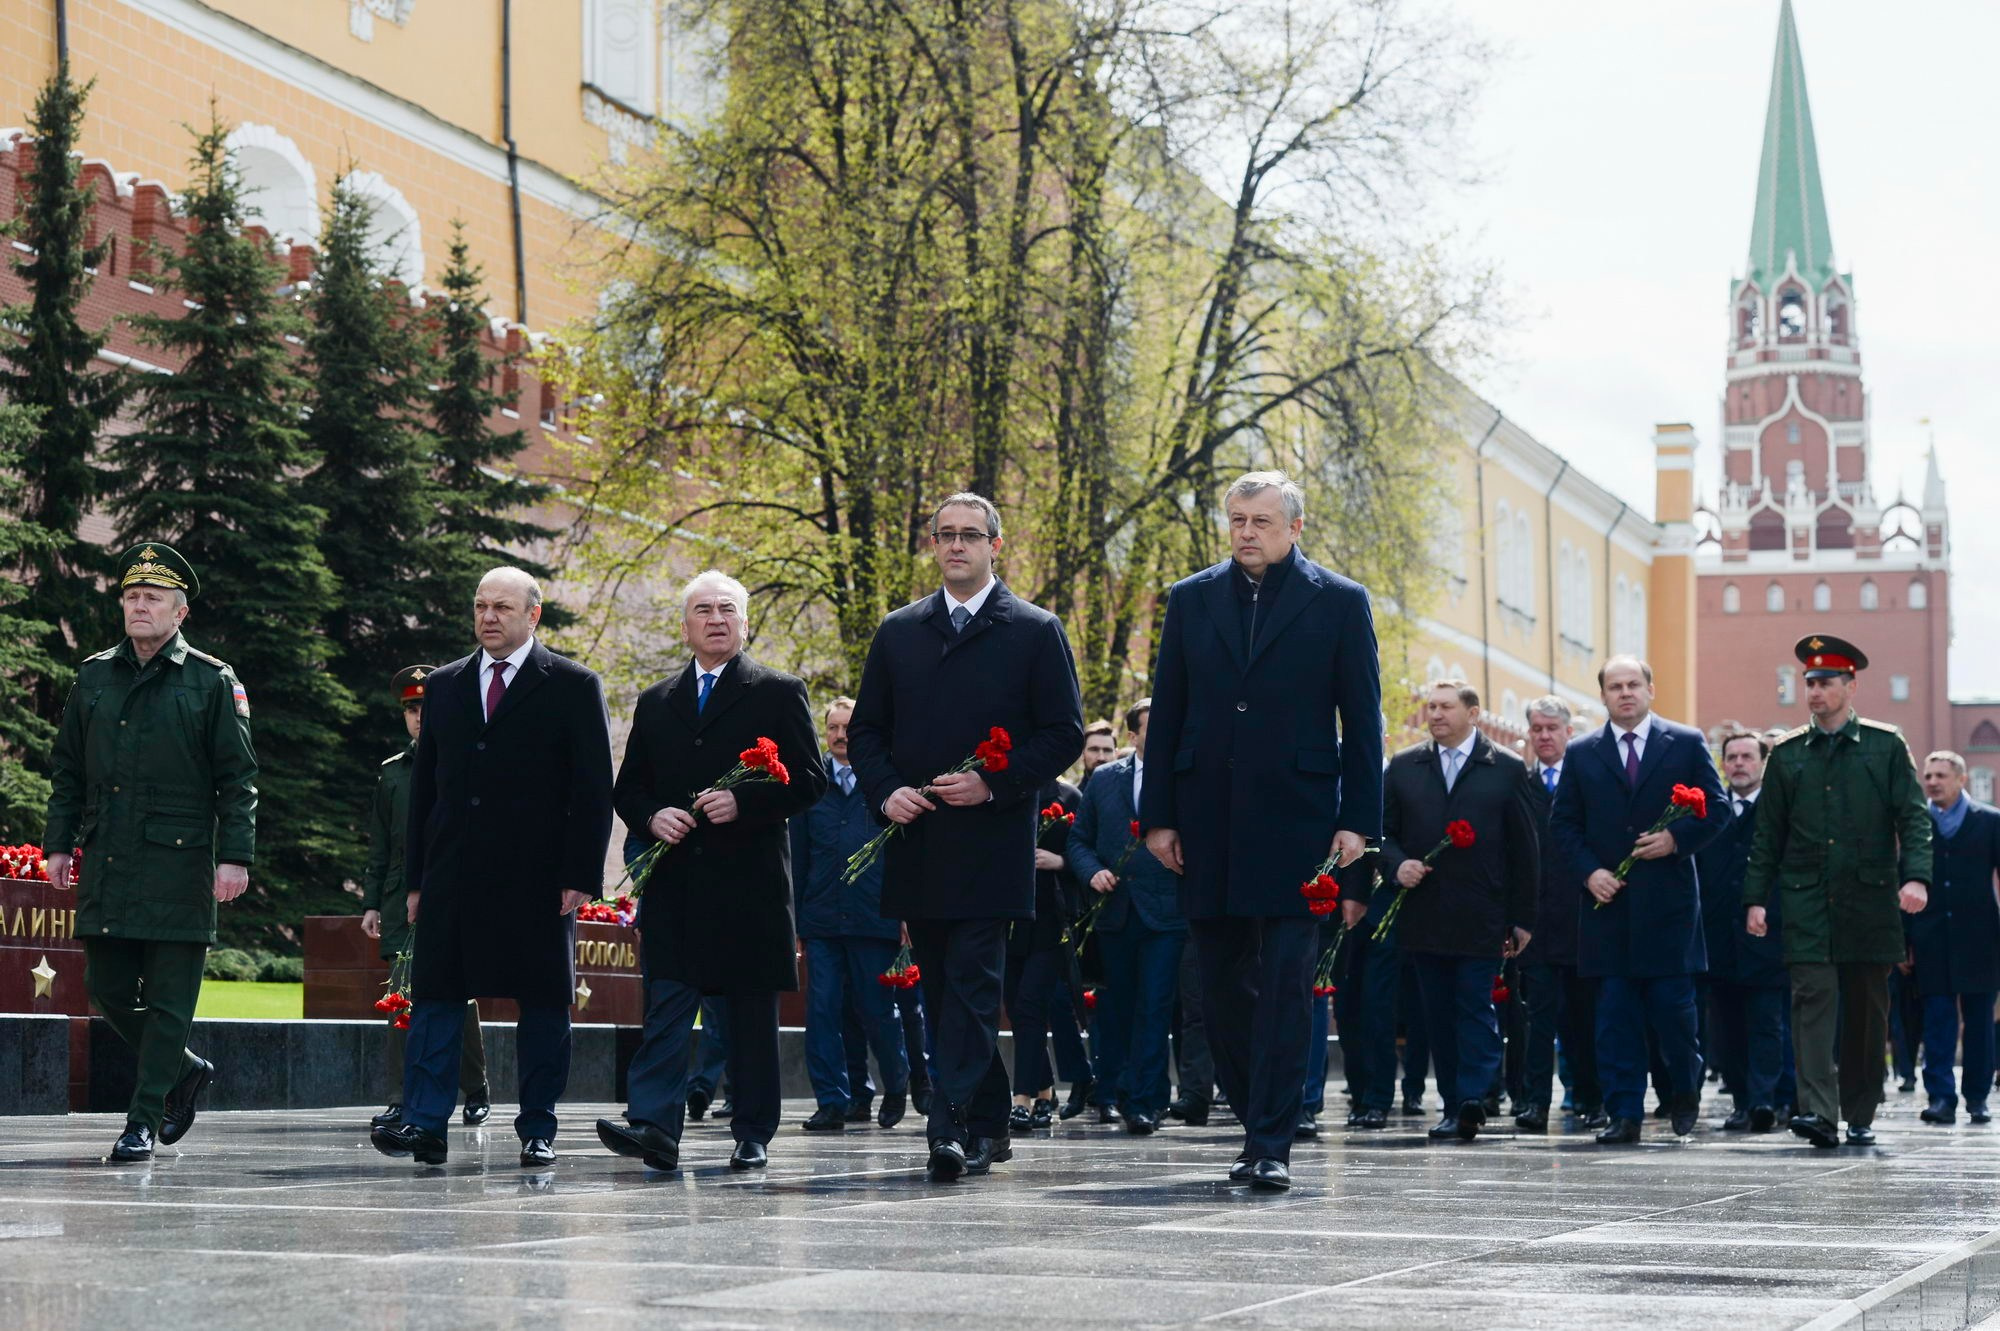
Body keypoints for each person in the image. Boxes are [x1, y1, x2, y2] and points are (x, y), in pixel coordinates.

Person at [1140, 471, 1383, 1190]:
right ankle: (1255, 1122)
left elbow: (1362, 724)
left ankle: (1272, 1138)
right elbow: (1169, 711)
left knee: (1284, 985)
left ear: (1294, 527)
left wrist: (1357, 826)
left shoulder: (1339, 601)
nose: (1247, 532)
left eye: (1262, 520)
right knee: (1218, 989)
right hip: (1206, 820)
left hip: (1300, 823)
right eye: (1237, 519)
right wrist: (1158, 816)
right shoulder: (1190, 599)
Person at [848, 492, 1085, 1182]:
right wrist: (883, 788)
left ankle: (946, 1126)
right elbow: (866, 730)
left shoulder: (1036, 630)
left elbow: (1064, 732)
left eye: (970, 535)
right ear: (933, 544)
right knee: (946, 991)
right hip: (918, 839)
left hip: (992, 841)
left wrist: (997, 785)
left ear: (994, 545)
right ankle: (989, 1123)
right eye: (946, 535)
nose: (957, 545)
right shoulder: (898, 631)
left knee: (975, 984)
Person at [372, 567, 614, 1168]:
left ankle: (538, 1126)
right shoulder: (448, 685)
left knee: (542, 1002)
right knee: (436, 996)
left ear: (534, 615)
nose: (488, 617)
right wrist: (417, 881)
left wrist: (581, 873)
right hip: (455, 872)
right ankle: (426, 1122)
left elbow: (592, 789)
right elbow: (426, 788)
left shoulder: (573, 685)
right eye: (480, 605)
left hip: (537, 876)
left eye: (502, 607)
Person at [599, 571, 825, 1173]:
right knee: (667, 1007)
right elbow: (630, 790)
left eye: (727, 609)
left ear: (745, 624)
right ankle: (654, 1126)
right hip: (676, 886)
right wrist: (653, 816)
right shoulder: (656, 700)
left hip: (747, 887)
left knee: (749, 1017)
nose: (716, 619)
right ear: (685, 626)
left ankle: (752, 1131)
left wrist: (744, 803)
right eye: (703, 610)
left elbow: (809, 780)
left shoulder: (779, 692)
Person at [43, 543, 254, 1163]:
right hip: (110, 857)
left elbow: (237, 777)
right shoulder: (94, 675)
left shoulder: (213, 680)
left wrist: (234, 857)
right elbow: (67, 770)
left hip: (180, 863)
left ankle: (143, 1118)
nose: (139, 606)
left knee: (168, 1000)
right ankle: (185, 1070)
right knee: (106, 988)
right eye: (132, 597)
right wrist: (58, 843)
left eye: (152, 598)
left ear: (179, 613)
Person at [1742, 634, 1931, 1149]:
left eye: (1826, 683)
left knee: (1867, 1012)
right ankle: (1819, 1113)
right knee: (1811, 1004)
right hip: (1806, 898)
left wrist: (1916, 877)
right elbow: (1768, 833)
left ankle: (1861, 1109)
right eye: (1810, 684)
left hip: (1869, 899)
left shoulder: (1884, 745)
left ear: (1851, 685)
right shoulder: (1786, 754)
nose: (1815, 692)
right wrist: (1755, 897)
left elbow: (1912, 817)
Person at [1550, 655, 1729, 1145]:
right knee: (1615, 1019)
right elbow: (1563, 825)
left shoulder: (1686, 743)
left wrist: (1675, 840)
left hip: (1667, 907)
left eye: (1633, 684)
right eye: (1614, 686)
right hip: (1608, 907)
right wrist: (1590, 873)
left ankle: (1684, 1088)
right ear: (1603, 695)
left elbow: (1718, 810)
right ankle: (1623, 1113)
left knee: (1674, 1015)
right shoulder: (1583, 752)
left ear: (1651, 689)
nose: (1625, 693)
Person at [1369, 682, 1538, 1142]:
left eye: (1446, 707)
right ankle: (1451, 1104)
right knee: (1438, 1014)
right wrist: (1396, 863)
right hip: (1423, 914)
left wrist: (1523, 917)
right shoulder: (1405, 767)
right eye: (1431, 707)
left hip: (1482, 912)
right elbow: (1381, 833)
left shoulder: (1504, 769)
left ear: (1474, 713)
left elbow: (1526, 849)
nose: (1436, 714)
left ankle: (1472, 1097)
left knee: (1474, 1005)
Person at [362, 665, 489, 1129]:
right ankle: (400, 1097)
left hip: (453, 889)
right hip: (401, 900)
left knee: (458, 993)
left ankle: (474, 1085)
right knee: (400, 996)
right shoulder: (392, 774)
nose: (418, 716)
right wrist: (372, 901)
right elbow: (381, 842)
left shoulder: (459, 759)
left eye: (425, 707)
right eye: (411, 709)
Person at [793, 696, 912, 1131]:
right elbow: (799, 855)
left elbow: (903, 851)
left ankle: (896, 1084)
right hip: (822, 916)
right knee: (822, 1012)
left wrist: (905, 911)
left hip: (874, 914)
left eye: (849, 728)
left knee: (877, 1011)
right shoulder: (811, 781)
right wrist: (795, 921)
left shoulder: (884, 780)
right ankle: (834, 1100)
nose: (841, 736)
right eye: (834, 728)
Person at [1069, 698, 1186, 1133]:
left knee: (1155, 1006)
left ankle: (1147, 1102)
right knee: (1115, 1007)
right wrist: (1092, 871)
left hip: (1167, 913)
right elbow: (1079, 840)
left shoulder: (1183, 778)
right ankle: (1109, 1095)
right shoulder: (1103, 781)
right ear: (1133, 736)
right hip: (1114, 912)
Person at [1515, 696, 1602, 1133]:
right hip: (1536, 926)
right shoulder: (1520, 783)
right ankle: (1535, 1103)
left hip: (1583, 921)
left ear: (1569, 732)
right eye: (1537, 729)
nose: (1545, 736)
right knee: (1538, 1020)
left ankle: (1590, 1097)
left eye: (1552, 729)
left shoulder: (1587, 780)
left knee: (1583, 1019)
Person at [1696, 729, 1789, 1132]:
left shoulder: (1778, 810)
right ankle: (1740, 1101)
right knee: (1726, 1027)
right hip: (1718, 938)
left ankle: (1765, 1101)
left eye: (1747, 757)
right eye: (1731, 757)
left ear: (1762, 762)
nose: (1738, 764)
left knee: (1766, 1022)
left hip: (1766, 935)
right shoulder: (1711, 813)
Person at [1910, 751, 1998, 1126]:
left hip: (1981, 936)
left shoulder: (1990, 822)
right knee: (1938, 1019)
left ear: (1961, 779)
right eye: (1928, 775)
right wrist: (1904, 940)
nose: (1932, 781)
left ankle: (1977, 1096)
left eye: (1941, 775)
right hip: (1931, 937)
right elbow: (1904, 878)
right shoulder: (1917, 823)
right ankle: (1941, 1097)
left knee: (1979, 1021)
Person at [1004, 774, 1089, 1129]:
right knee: (1016, 1007)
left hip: (1050, 919)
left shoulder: (1069, 796)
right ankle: (1044, 1091)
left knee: (1029, 1004)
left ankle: (1020, 1098)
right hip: (1006, 918)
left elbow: (1087, 851)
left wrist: (1059, 862)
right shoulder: (1005, 791)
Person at [1078, 720, 1117, 787]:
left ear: (1116, 754)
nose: (1101, 758)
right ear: (1082, 753)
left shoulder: (1131, 795)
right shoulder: (1071, 796)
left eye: (1107, 750)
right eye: (1094, 750)